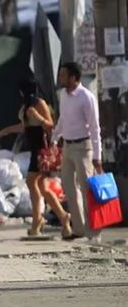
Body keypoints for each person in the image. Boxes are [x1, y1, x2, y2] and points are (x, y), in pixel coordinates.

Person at [0, 78, 73, 239]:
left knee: (32, 182)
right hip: (34, 150)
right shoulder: (26, 106)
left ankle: (38, 220)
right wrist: (6, 130)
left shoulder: (40, 104)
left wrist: (38, 117)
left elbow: (51, 127)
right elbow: (25, 126)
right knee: (42, 187)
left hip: (42, 151)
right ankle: (61, 217)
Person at [52, 62, 103, 243]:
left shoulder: (86, 97)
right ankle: (79, 229)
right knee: (69, 189)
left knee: (87, 190)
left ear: (73, 78)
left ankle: (93, 232)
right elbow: (62, 120)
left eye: (63, 75)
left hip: (83, 148)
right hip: (67, 147)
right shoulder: (63, 96)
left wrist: (97, 156)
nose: (60, 78)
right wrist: (55, 137)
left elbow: (95, 128)